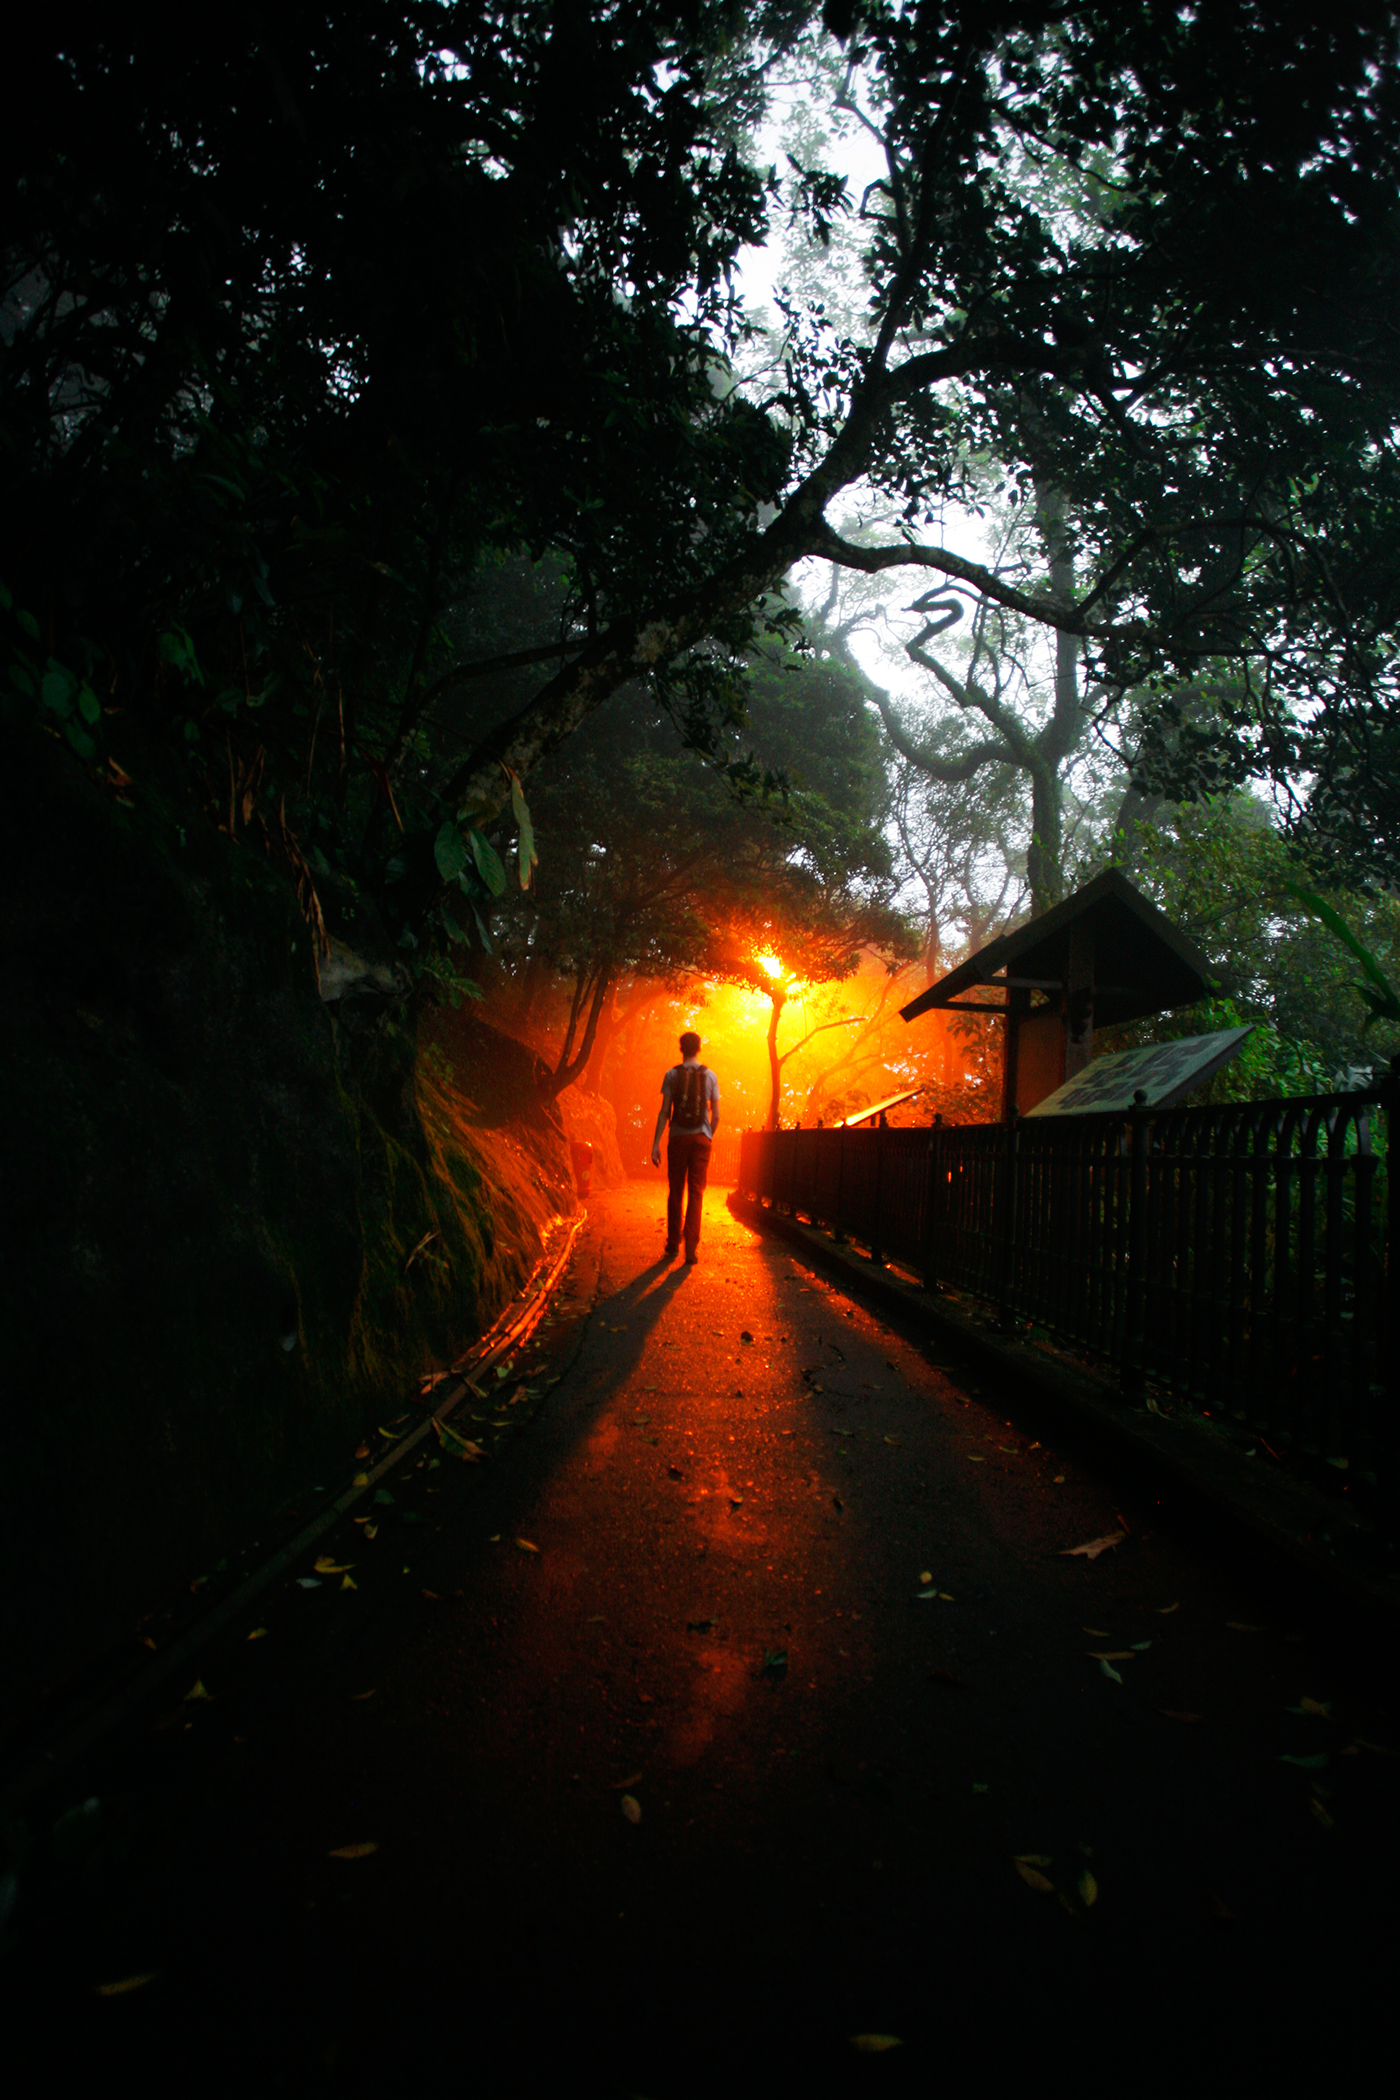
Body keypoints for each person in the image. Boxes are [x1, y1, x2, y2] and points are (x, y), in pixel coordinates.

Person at [651, 1030, 719, 1264]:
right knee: (697, 1192)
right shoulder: (710, 1076)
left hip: (678, 1138)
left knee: (676, 1191)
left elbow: (664, 1112)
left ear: (681, 1048)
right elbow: (717, 1115)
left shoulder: (671, 1075)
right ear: (699, 1048)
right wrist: (707, 1137)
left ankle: (672, 1244)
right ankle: (691, 1248)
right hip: (701, 1140)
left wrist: (656, 1144)